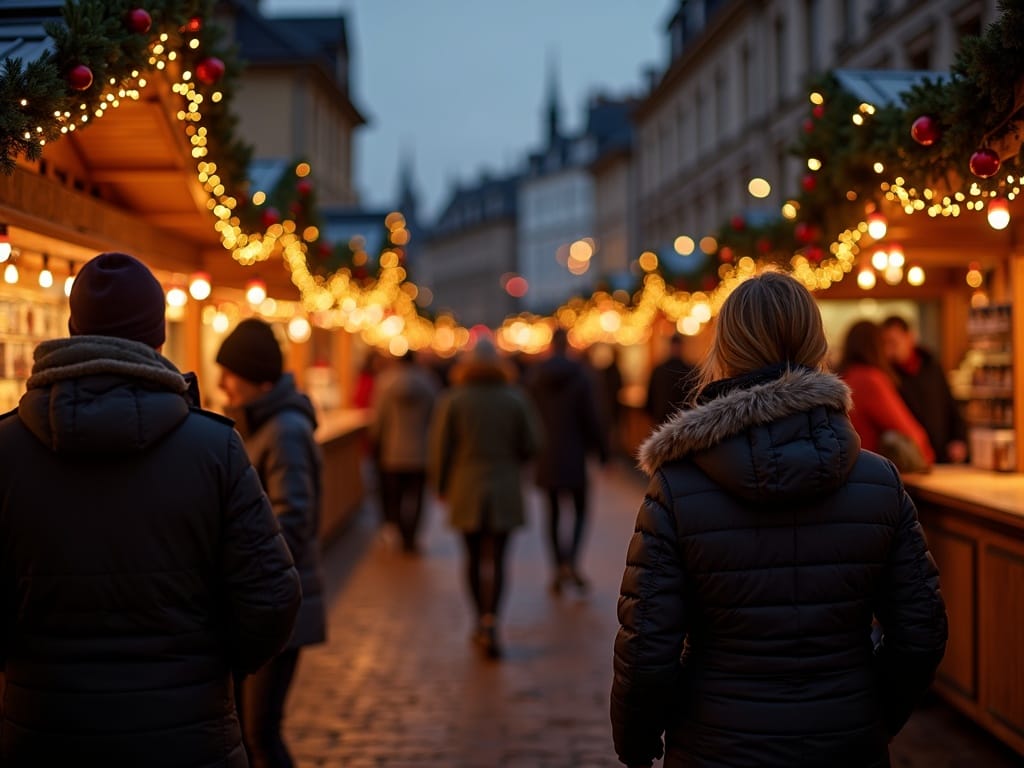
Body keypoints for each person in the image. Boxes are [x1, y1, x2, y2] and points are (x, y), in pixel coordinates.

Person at [610, 271, 948, 768]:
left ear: (725, 349)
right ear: (817, 345)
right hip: (845, 741)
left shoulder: (678, 488)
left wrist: (638, 745)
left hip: (716, 744)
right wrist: (870, 716)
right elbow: (920, 633)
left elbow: (647, 649)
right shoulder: (878, 481)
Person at [0, 252, 301, 767]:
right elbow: (272, 599)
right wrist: (209, 667)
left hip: (44, 734)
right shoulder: (214, 449)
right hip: (186, 740)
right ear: (158, 338)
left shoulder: (7, 449)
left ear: (74, 331)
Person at [216, 318, 327, 768]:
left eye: (231, 373)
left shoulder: (284, 431)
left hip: (278, 600)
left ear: (258, 377)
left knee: (260, 731)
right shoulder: (263, 423)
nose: (222, 383)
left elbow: (293, 518)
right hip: (266, 598)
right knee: (248, 730)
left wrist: (238, 561)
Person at [428, 338, 541, 660]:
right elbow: (534, 442)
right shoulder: (515, 398)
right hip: (505, 486)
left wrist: (439, 484)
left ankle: (479, 619)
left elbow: (440, 446)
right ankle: (493, 618)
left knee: (474, 557)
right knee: (500, 558)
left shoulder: (453, 399)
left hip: (466, 486)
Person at [525, 328, 608, 595]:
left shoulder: (535, 377)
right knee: (581, 510)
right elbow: (591, 417)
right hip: (574, 455)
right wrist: (602, 452)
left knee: (552, 514)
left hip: (545, 455)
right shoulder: (581, 376)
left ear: (550, 345)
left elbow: (528, 416)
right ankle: (571, 560)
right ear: (567, 344)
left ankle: (558, 565)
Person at [839, 319, 935, 468]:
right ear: (876, 347)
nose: (889, 351)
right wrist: (927, 457)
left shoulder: (844, 378)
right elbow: (907, 430)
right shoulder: (870, 379)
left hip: (847, 469)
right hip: (870, 472)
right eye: (885, 343)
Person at [370, 349, 440, 553]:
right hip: (420, 450)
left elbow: (379, 417)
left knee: (394, 495)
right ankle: (411, 535)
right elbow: (434, 416)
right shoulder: (428, 383)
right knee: (416, 496)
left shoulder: (385, 383)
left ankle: (398, 530)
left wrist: (376, 440)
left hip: (392, 450)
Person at [881, 315, 968, 463]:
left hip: (942, 454)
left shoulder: (932, 366)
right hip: (911, 457)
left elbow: (950, 405)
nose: (890, 350)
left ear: (910, 337)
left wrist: (959, 439)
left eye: (894, 342)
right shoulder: (886, 375)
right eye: (886, 344)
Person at [644, 333, 697, 426]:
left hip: (669, 418)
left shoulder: (659, 369)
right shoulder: (690, 370)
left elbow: (650, 399)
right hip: (680, 418)